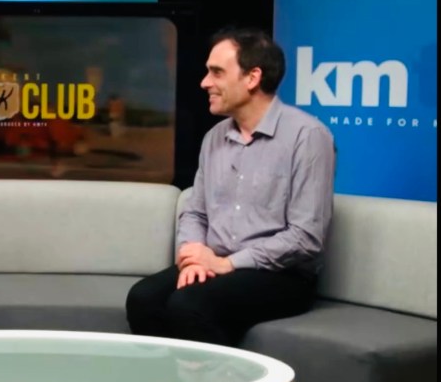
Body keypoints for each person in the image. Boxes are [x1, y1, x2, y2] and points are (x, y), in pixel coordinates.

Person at [125, 27, 335, 346]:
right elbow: (195, 213)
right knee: (143, 298)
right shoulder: (214, 137)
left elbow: (305, 237)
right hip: (216, 261)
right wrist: (194, 255)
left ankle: (229, 378)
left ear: (252, 78)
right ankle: (171, 377)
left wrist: (228, 263)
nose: (204, 82)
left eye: (217, 72)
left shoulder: (308, 137)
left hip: (280, 275)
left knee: (189, 306)